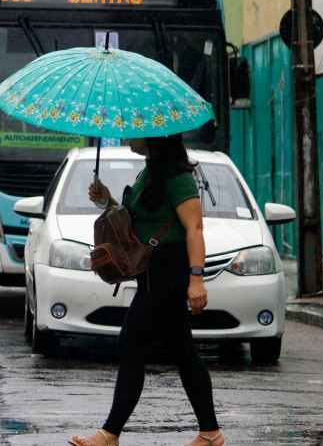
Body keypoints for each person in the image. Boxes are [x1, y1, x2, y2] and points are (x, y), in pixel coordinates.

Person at [73, 135, 222, 446]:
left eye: (135, 129)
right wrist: (107, 200)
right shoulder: (149, 172)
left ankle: (109, 434)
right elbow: (137, 221)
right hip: (153, 272)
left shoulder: (177, 175)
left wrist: (197, 278)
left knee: (131, 341)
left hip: (170, 271)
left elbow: (195, 228)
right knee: (183, 352)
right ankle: (210, 433)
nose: (128, 134)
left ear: (154, 138)